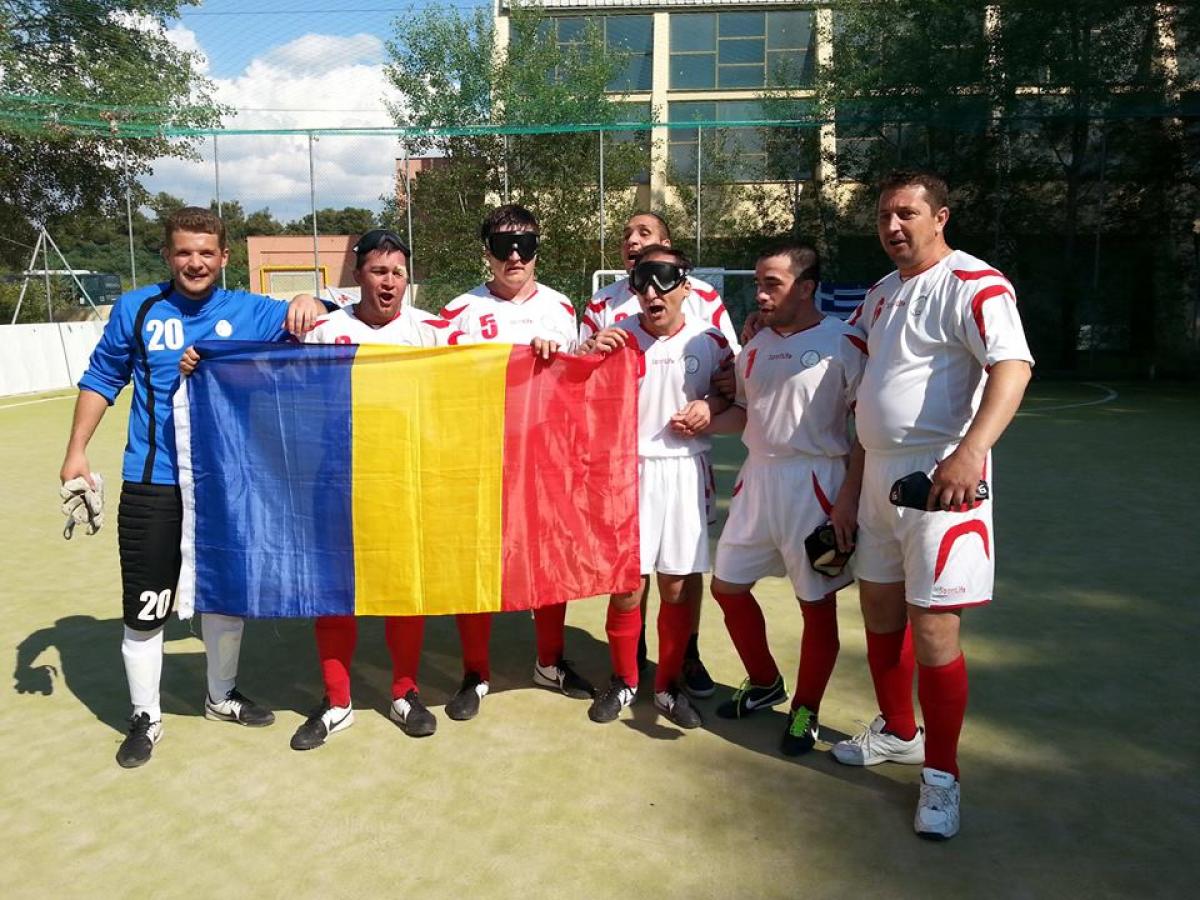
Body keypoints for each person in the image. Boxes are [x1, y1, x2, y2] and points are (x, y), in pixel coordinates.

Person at [61, 206, 325, 768]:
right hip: (152, 482)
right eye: (184, 252)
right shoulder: (138, 308)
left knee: (223, 595)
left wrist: (311, 301)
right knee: (146, 605)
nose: (195, 262)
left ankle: (220, 696)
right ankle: (144, 716)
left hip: (223, 486)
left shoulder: (251, 311)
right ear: (167, 255)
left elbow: (325, 319)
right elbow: (102, 378)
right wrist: (76, 452)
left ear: (225, 257)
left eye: (206, 252)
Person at [832, 170, 1033, 840]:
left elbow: (1013, 367)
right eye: (885, 215)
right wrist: (850, 488)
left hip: (942, 483)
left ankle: (941, 777)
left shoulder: (976, 283)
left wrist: (970, 453)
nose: (893, 227)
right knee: (879, 614)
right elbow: (856, 386)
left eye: (908, 214)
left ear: (940, 216)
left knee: (935, 630)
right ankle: (898, 731)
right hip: (879, 483)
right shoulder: (881, 294)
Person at [704, 242, 867, 756]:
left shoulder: (844, 342)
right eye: (758, 284)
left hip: (815, 484)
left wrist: (846, 499)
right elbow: (748, 416)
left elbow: (865, 429)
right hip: (758, 482)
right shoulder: (752, 347)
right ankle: (764, 680)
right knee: (727, 588)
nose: (760, 294)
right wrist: (698, 419)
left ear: (807, 286)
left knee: (815, 606)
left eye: (772, 284)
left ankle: (806, 708)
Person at [430, 203, 592, 720]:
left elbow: (583, 377)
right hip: (480, 459)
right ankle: (476, 672)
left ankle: (550, 661)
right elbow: (430, 380)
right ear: (487, 254)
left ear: (538, 248)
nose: (515, 255)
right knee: (476, 562)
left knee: (549, 560)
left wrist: (563, 357)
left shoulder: (563, 310)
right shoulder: (459, 312)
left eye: (525, 243)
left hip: (546, 461)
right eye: (503, 246)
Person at [281, 229, 441, 750]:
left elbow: (493, 371)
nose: (389, 281)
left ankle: (404, 691)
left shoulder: (432, 332)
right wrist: (204, 361)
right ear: (357, 275)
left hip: (404, 479)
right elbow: (263, 369)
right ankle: (337, 700)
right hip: (336, 481)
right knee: (334, 594)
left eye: (397, 272)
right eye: (378, 271)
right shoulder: (324, 330)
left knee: (403, 589)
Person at [579, 211, 742, 698]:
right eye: (642, 281)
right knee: (627, 581)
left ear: (685, 285)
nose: (653, 290)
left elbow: (733, 391)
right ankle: (626, 676)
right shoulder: (610, 322)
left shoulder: (707, 330)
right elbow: (575, 394)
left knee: (679, 579)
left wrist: (709, 407)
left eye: (665, 279)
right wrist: (587, 352)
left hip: (686, 472)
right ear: (631, 285)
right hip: (626, 472)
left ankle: (679, 665)